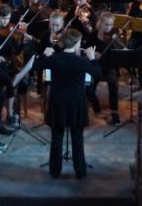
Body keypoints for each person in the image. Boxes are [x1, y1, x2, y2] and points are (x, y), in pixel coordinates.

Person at [34, 28, 102, 179]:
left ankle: (55, 171)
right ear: (77, 44)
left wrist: (44, 55)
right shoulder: (81, 62)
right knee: (77, 137)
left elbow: (36, 66)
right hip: (76, 103)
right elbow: (98, 73)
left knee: (56, 137)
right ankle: (80, 171)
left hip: (58, 102)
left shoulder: (54, 59)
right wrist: (92, 58)